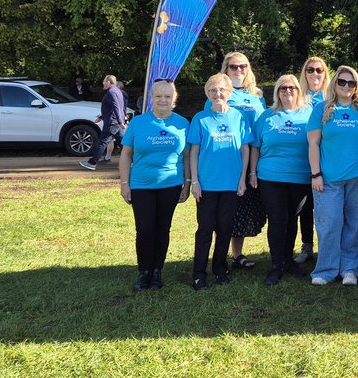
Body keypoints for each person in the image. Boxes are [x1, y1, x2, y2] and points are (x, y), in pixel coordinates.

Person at [119, 79, 190, 291]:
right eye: (158, 96)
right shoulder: (138, 123)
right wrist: (124, 183)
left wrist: (186, 184)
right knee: (145, 228)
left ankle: (157, 271)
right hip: (141, 184)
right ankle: (144, 272)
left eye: (167, 96)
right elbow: (125, 155)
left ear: (174, 99)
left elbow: (187, 157)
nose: (162, 100)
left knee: (162, 228)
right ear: (151, 99)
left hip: (171, 183)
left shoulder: (182, 124)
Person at [307, 65, 358, 286]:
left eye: (350, 83)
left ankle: (350, 269)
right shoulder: (322, 109)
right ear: (334, 84)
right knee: (329, 224)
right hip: (328, 177)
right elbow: (313, 143)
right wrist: (315, 173)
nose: (346, 86)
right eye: (341, 82)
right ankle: (325, 270)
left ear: (356, 86)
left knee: (353, 224)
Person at [187, 73, 250, 289]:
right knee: (205, 229)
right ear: (207, 94)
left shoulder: (238, 117)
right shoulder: (200, 119)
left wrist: (242, 179)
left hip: (231, 184)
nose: (217, 94)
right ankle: (199, 272)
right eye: (212, 90)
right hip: (207, 185)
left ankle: (220, 268)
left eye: (221, 90)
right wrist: (195, 182)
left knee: (225, 228)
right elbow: (193, 151)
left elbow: (245, 149)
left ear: (229, 92)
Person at [250, 75, 313, 285]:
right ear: (277, 92)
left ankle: (288, 260)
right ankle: (276, 265)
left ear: (299, 90)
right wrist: (252, 173)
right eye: (283, 88)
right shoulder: (266, 117)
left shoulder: (309, 115)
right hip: (271, 177)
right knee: (277, 220)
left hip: (301, 177)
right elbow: (255, 147)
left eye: (293, 88)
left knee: (292, 220)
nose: (288, 92)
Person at [220, 52, 266, 271]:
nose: (239, 70)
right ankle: (222, 252)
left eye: (243, 66)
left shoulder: (257, 95)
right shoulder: (220, 93)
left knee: (245, 207)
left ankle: (237, 253)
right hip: (228, 158)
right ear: (226, 69)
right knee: (228, 206)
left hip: (254, 158)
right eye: (234, 67)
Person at [294, 56, 330, 264]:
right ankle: (307, 246)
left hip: (328, 160)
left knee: (327, 207)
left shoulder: (330, 97)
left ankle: (329, 247)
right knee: (305, 207)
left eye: (319, 70)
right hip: (302, 161)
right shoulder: (297, 96)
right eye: (310, 70)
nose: (314, 74)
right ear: (304, 73)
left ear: (325, 74)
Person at [81, 74, 126, 170]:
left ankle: (92, 163)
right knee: (123, 143)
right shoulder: (117, 91)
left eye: (104, 82)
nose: (103, 84)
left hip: (112, 122)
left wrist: (120, 121)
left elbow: (116, 107)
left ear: (108, 82)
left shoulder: (111, 92)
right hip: (115, 122)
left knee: (102, 142)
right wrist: (101, 117)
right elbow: (112, 107)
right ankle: (133, 161)